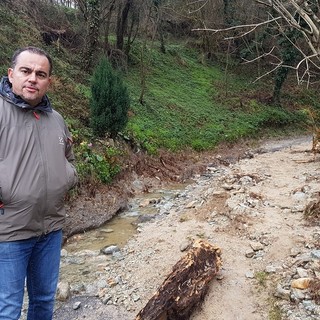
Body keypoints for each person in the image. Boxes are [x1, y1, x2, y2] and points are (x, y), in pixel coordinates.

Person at [0, 47, 77, 319]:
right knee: (7, 310)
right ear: (11, 75)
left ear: (49, 82)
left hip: (51, 229)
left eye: (40, 74)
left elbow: (69, 156)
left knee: (44, 301)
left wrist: (67, 178)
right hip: (8, 231)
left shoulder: (56, 119)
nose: (33, 78)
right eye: (26, 71)